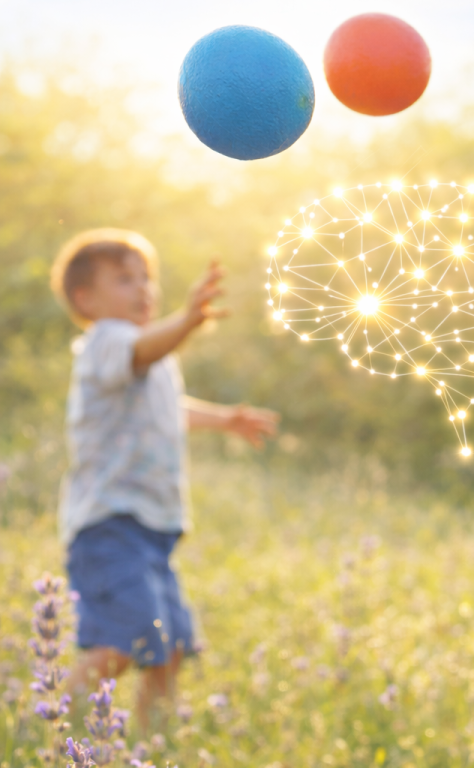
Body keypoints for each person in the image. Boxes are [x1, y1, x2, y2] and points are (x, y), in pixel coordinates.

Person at [50, 228, 279, 731]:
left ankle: (152, 746)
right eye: (125, 279)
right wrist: (187, 321)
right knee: (123, 642)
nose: (144, 289)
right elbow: (142, 352)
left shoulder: (147, 353)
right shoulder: (107, 343)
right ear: (86, 298)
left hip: (152, 527)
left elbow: (168, 408)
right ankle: (44, 724)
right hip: (109, 524)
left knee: (168, 648)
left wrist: (223, 419)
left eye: (147, 278)